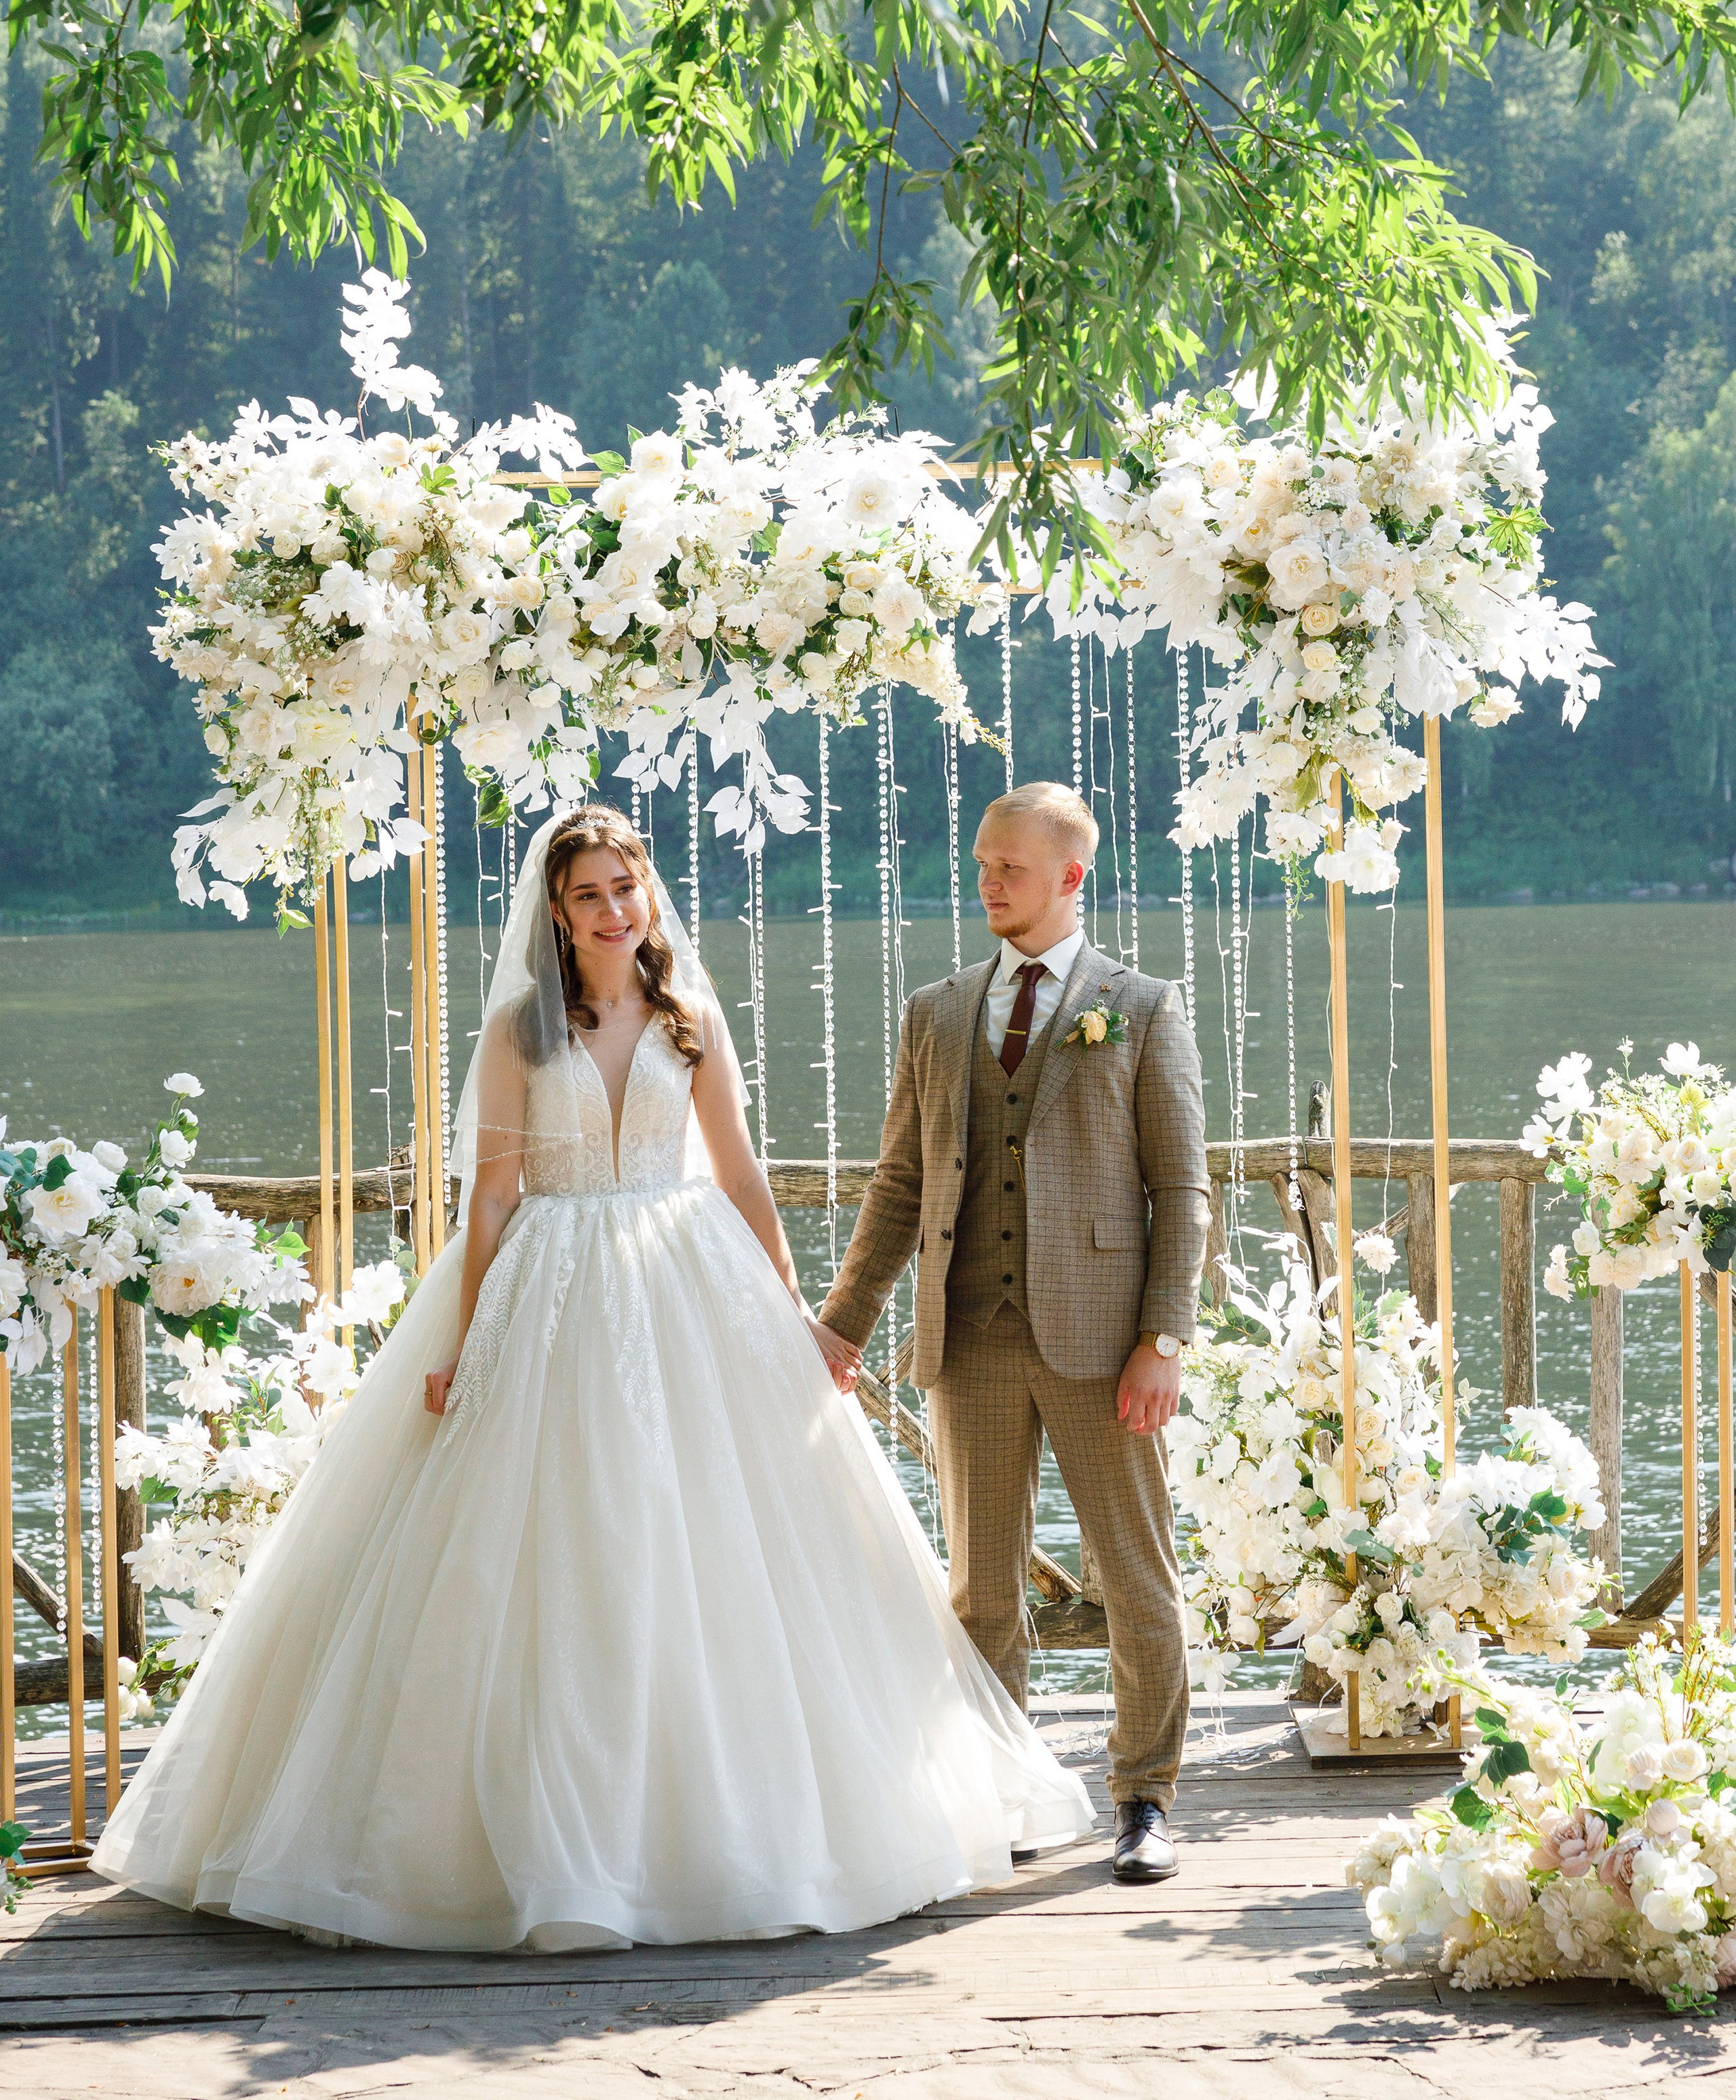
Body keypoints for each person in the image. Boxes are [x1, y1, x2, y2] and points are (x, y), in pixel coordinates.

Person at [94, 806, 1091, 1950]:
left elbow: (743, 1176)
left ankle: (735, 1822)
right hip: (552, 1284)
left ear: (646, 893)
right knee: (555, 1540)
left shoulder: (689, 1016)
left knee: (712, 1540)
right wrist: (463, 1347)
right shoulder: (521, 1031)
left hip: (689, 1280)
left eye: (628, 887)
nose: (615, 909)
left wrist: (798, 1317)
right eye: (590, 895)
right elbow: (493, 1201)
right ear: (558, 916)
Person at [820, 782, 1211, 1884]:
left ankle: (1145, 1798)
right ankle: (1006, 1793)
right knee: (981, 1588)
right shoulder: (937, 1012)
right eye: (983, 863)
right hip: (970, 1335)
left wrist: (1163, 1339)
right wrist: (844, 1321)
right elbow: (902, 1180)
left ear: (1070, 878)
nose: (987, 882)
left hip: (1103, 1343)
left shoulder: (1141, 1005)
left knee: (1136, 1578)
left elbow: (1181, 1190)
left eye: (1010, 868)